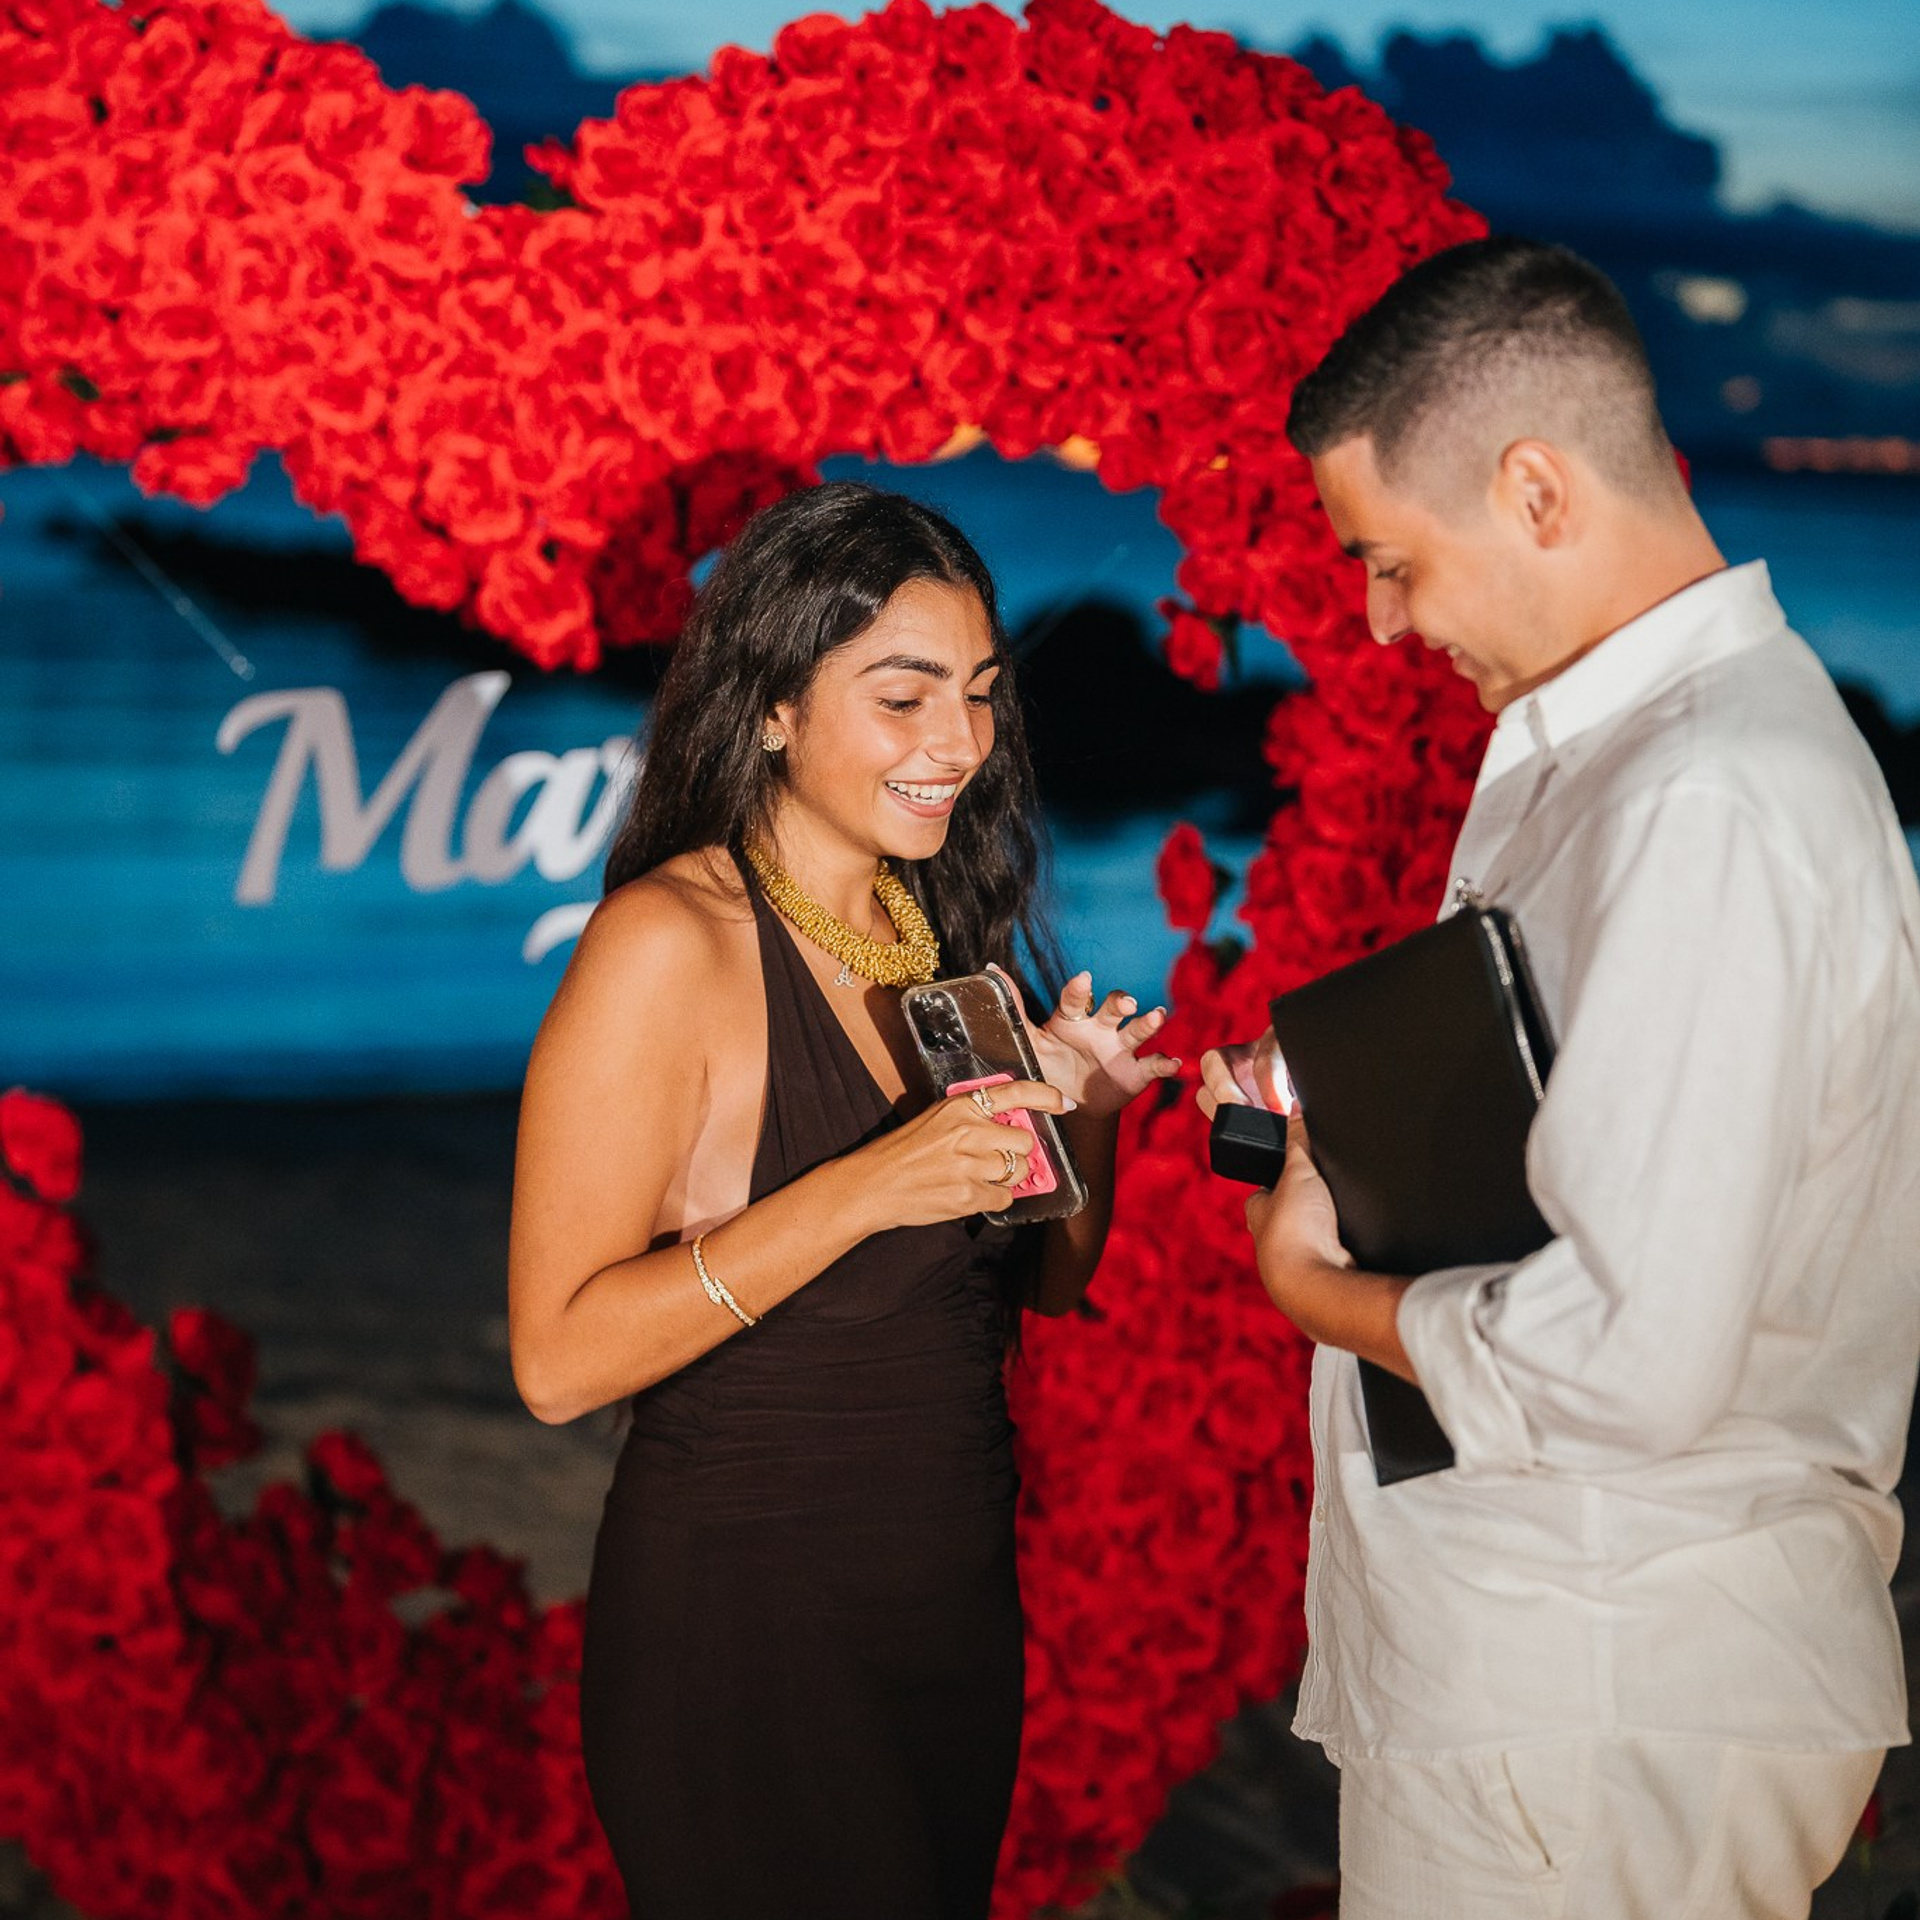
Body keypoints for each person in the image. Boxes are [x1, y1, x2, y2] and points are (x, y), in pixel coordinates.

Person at [1200, 236, 1920, 1919]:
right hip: (1564, 1673)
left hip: (1597, 1680)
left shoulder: (1702, 797)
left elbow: (1633, 1357)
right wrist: (1361, 1087)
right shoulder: (1626, 758)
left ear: (1535, 489)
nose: (1382, 621)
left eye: (1393, 561)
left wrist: (1319, 1292)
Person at [508, 481, 1177, 1920]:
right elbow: (557, 1362)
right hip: (748, 1625)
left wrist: (1089, 1113)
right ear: (771, 708)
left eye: (981, 695)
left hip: (946, 1622)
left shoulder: (937, 927)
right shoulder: (667, 944)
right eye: (905, 697)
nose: (961, 744)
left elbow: (1044, 1283)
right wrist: (869, 1185)